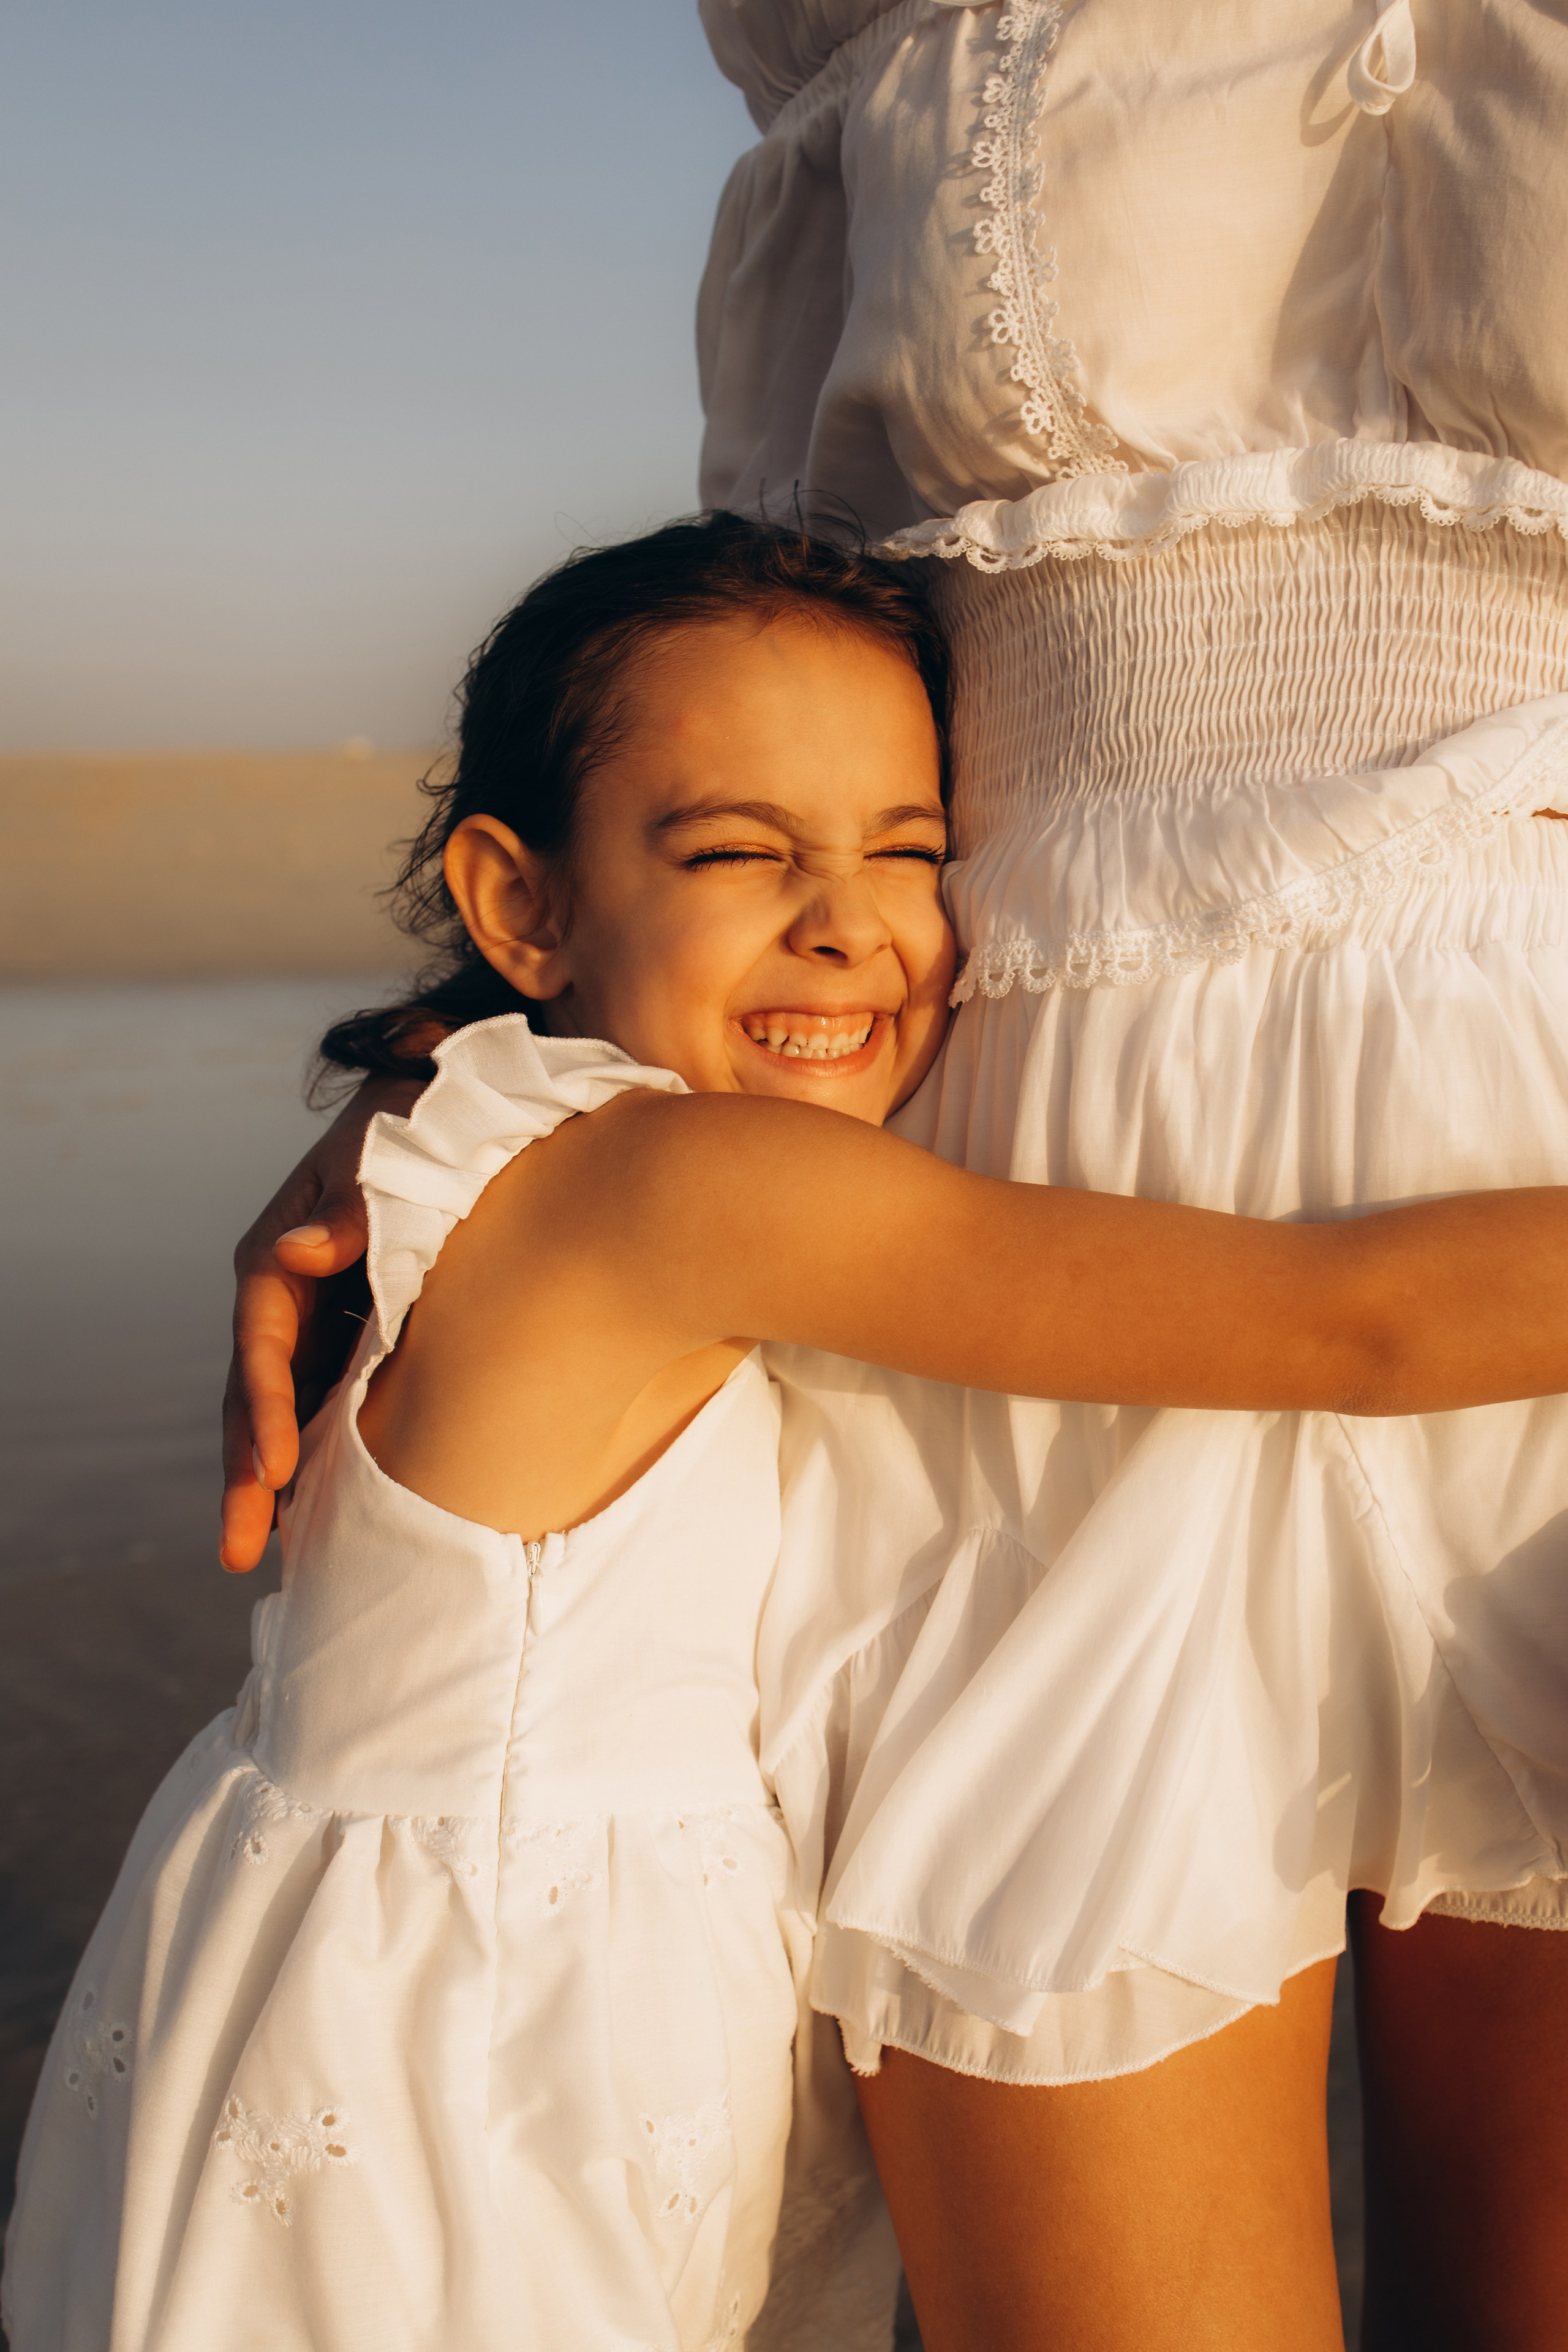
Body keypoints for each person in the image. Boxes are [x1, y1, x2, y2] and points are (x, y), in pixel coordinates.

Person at [226, 9, 1568, 2348]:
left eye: (868, 856)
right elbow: (785, 636)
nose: (832, 886)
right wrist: (477, 1070)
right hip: (997, 1219)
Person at [12, 515, 1568, 2352]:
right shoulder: (691, 1181)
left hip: (359, 1974)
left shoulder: (480, 1135)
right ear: (522, 903)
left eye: (912, 852)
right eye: (742, 851)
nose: (845, 919)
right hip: (507, 2054)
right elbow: (1346, 1321)